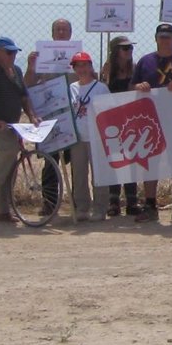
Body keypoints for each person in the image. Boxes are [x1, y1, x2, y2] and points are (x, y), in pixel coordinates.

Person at [132, 23, 172, 223]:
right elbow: (131, 87)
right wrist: (139, 86)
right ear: (155, 38)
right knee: (150, 162)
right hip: (150, 120)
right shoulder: (145, 62)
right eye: (161, 35)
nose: (165, 39)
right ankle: (150, 205)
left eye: (168, 35)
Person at [0, 37, 40, 224]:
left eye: (15, 52)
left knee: (9, 166)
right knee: (10, 149)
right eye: (9, 52)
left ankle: (2, 212)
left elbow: (24, 97)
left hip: (10, 124)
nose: (13, 56)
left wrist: (32, 116)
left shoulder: (16, 71)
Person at [24, 17, 73, 211]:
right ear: (52, 33)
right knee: (50, 161)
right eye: (58, 29)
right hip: (50, 116)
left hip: (72, 116)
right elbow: (27, 84)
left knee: (75, 161)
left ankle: (78, 202)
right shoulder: (41, 57)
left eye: (65, 30)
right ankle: (49, 202)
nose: (61, 33)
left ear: (70, 34)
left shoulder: (78, 57)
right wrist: (31, 66)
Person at [67, 51, 110, 223]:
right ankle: (82, 207)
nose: (82, 69)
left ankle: (100, 208)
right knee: (79, 174)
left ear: (91, 67)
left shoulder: (101, 88)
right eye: (79, 66)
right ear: (75, 69)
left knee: (99, 175)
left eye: (85, 65)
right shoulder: (72, 88)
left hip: (97, 137)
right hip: (78, 137)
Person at [101, 35, 140, 217]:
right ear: (116, 51)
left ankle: (132, 200)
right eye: (125, 48)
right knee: (116, 160)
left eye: (130, 48)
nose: (129, 51)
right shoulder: (108, 70)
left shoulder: (135, 69)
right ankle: (114, 200)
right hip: (113, 120)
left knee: (132, 159)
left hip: (131, 119)